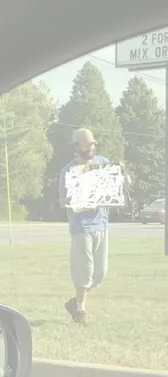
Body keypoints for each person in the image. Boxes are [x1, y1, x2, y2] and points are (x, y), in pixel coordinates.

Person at [57, 127, 128, 324]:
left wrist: (122, 175)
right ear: (77, 147)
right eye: (88, 144)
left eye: (93, 143)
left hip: (101, 224)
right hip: (81, 227)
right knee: (84, 272)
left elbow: (117, 187)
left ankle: (75, 301)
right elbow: (61, 200)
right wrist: (76, 195)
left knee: (99, 274)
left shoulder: (103, 163)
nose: (92, 147)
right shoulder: (68, 171)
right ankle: (80, 311)